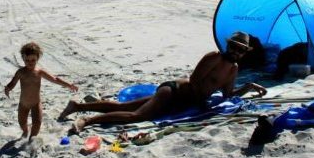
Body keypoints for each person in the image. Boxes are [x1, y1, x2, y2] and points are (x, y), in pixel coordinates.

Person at [60, 31, 267, 133]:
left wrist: (247, 87)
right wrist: (202, 102)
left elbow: (227, 95)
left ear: (244, 53)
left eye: (240, 50)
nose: (236, 52)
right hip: (173, 92)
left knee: (125, 106)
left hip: (181, 101)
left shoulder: (233, 69)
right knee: (138, 116)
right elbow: (195, 81)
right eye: (234, 47)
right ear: (228, 45)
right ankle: (87, 121)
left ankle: (77, 106)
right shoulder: (214, 57)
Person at [5, 42, 78, 139]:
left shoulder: (39, 72)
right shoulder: (20, 72)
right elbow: (13, 82)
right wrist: (8, 88)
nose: (30, 62)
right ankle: (26, 131)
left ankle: (31, 139)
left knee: (37, 123)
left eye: (33, 60)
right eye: (27, 60)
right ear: (23, 58)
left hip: (36, 103)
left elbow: (54, 79)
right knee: (22, 123)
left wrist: (68, 85)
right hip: (23, 104)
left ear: (37, 59)